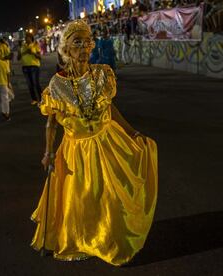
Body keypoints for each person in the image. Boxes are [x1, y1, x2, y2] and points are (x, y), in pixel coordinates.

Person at [31, 20, 158, 266]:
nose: (84, 46)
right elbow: (52, 123)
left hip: (108, 142)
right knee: (83, 200)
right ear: (66, 47)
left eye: (87, 41)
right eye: (77, 42)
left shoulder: (102, 74)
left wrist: (132, 132)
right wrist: (48, 153)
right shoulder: (56, 85)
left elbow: (110, 108)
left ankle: (110, 238)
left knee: (112, 197)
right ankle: (86, 239)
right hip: (76, 150)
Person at [19, 33, 42, 105]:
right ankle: (34, 99)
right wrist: (23, 52)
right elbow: (18, 58)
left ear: (31, 38)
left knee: (36, 83)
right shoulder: (23, 46)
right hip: (25, 67)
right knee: (30, 84)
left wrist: (32, 53)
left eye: (27, 37)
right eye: (25, 38)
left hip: (34, 66)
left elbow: (39, 57)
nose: (26, 39)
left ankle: (41, 99)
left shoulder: (35, 45)